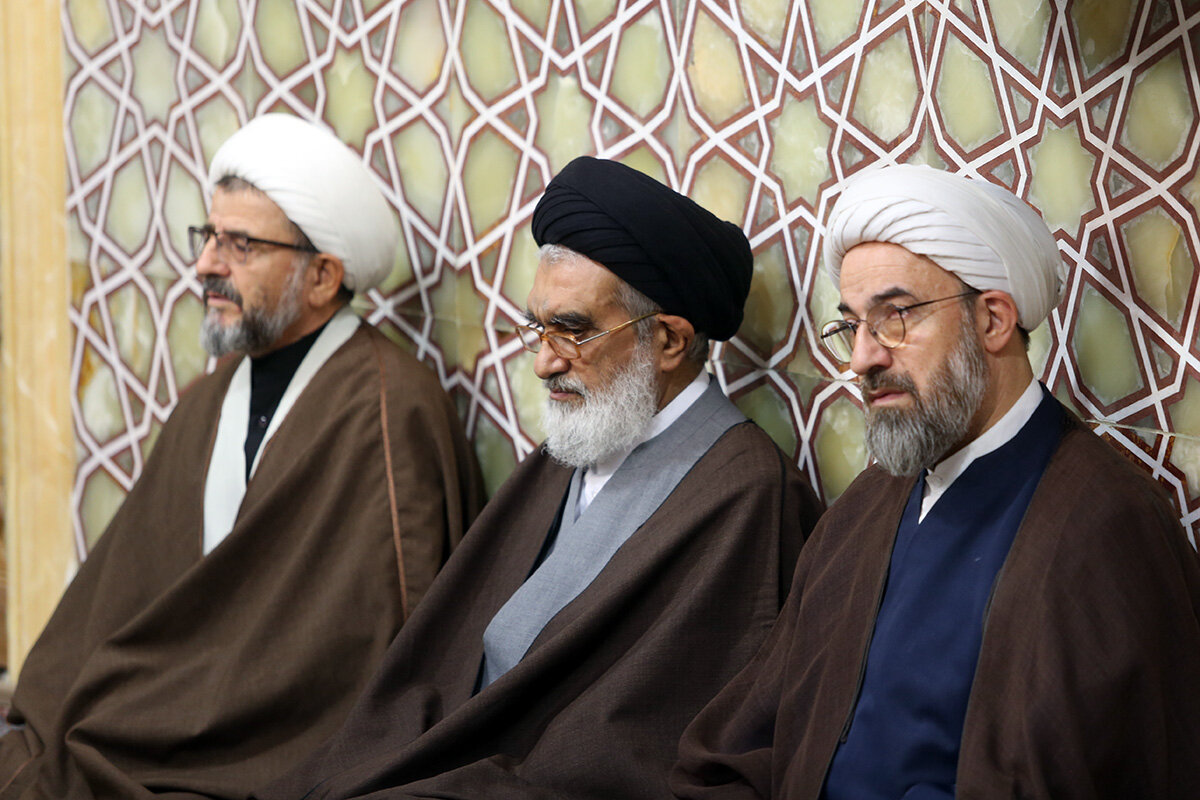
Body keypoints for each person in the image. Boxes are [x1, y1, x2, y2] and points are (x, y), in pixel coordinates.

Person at [253, 155, 824, 800]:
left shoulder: (747, 494)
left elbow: (646, 739)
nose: (544, 363)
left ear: (668, 341)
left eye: (573, 331)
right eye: (538, 328)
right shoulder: (579, 445)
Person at [671, 163, 1200, 799]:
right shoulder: (868, 506)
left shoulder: (1106, 526)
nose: (863, 357)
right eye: (852, 325)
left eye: (895, 316)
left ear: (993, 321)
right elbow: (751, 739)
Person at [0, 114, 483, 800]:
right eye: (209, 236)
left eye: (241, 245)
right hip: (176, 707)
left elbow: (367, 656)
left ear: (322, 276)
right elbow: (131, 588)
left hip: (274, 744)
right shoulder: (212, 396)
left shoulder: (386, 409)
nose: (206, 265)